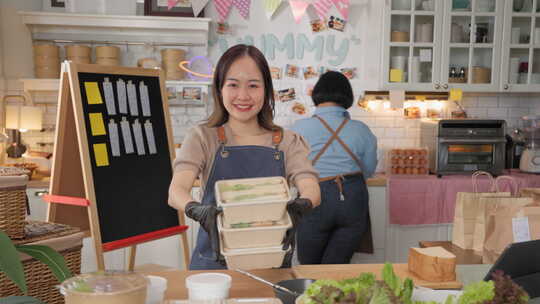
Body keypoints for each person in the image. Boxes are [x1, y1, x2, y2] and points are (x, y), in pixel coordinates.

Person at [168, 44, 321, 270]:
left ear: (266, 90)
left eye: (253, 85)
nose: (243, 96)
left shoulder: (287, 141)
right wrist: (196, 209)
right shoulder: (203, 137)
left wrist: (302, 204)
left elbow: (312, 188)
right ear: (220, 89)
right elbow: (175, 192)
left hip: (271, 265)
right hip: (214, 265)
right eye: (233, 85)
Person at [291, 71, 377, 264]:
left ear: (317, 95)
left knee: (310, 267)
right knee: (336, 267)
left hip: (313, 196)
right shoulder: (361, 129)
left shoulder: (298, 128)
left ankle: (311, 293)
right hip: (353, 197)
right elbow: (369, 170)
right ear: (347, 96)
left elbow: (289, 168)